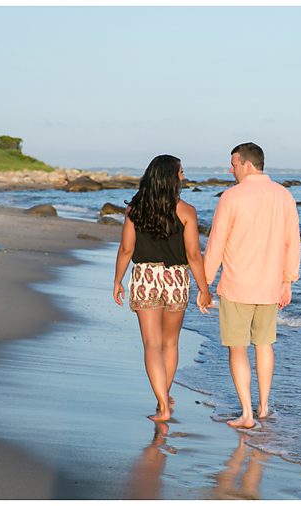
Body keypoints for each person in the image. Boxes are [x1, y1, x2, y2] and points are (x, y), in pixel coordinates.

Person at [204, 142, 301, 430]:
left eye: (233, 164)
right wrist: (288, 281)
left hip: (237, 284)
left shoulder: (231, 197)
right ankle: (263, 406)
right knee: (264, 345)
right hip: (270, 285)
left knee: (237, 348)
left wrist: (205, 283)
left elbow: (216, 244)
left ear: (247, 164)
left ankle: (246, 413)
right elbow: (292, 242)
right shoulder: (284, 196)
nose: (230, 169)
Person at [112, 154, 212, 423]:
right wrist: (204, 289)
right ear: (170, 176)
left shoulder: (135, 209)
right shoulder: (186, 211)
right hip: (177, 278)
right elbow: (193, 254)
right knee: (170, 343)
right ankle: (164, 399)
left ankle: (162, 405)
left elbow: (126, 249)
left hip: (145, 276)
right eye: (180, 171)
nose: (183, 176)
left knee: (151, 344)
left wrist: (118, 280)